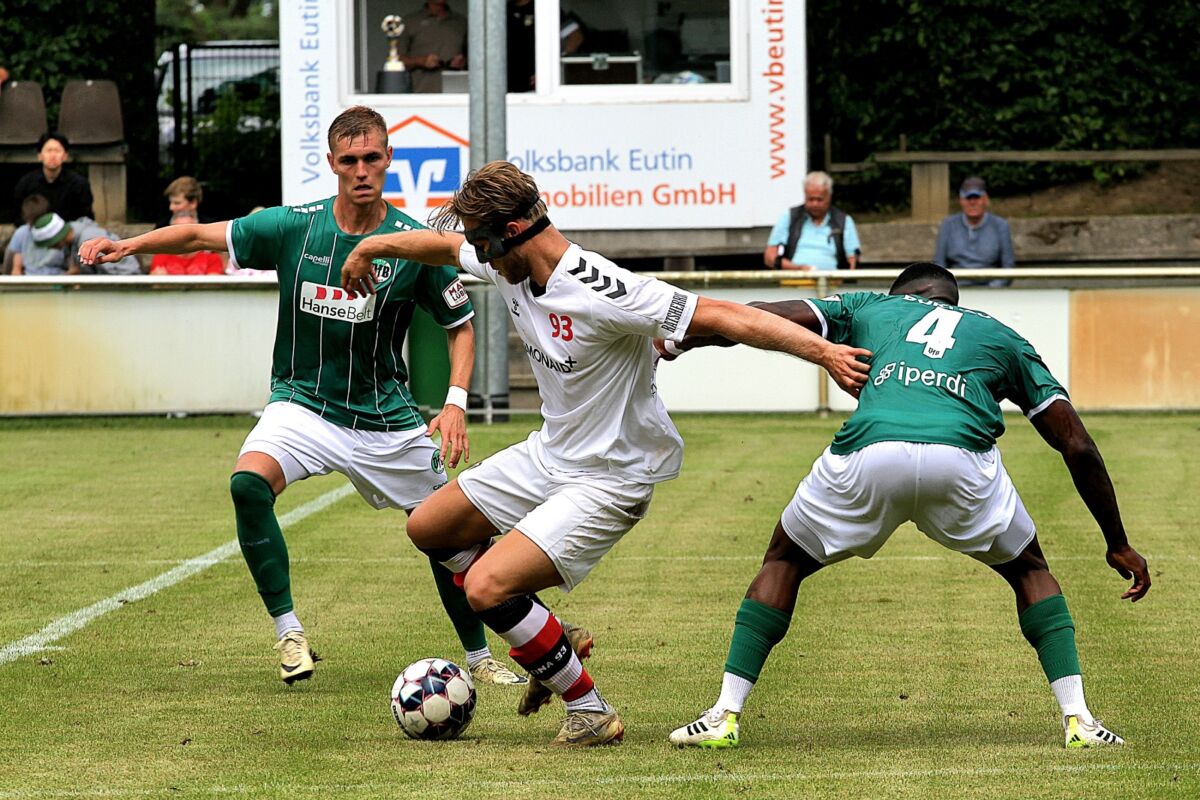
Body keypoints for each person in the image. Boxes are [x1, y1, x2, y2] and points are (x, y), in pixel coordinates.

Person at [338, 160, 872, 746]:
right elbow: (441, 248)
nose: (479, 257)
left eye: (485, 243)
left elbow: (727, 316)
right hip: (550, 454)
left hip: (609, 479)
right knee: (429, 527)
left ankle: (589, 709)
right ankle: (547, 634)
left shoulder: (603, 289)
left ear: (515, 231)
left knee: (487, 588)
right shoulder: (506, 258)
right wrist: (374, 246)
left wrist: (824, 353)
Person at [78, 106, 526, 689]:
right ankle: (289, 632)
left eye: (371, 158)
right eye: (349, 160)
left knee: (452, 537)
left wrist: (456, 401)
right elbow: (198, 234)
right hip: (302, 404)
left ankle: (482, 655)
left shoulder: (413, 242)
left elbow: (459, 326)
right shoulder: (295, 226)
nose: (361, 170)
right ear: (333, 164)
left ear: (388, 159)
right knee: (247, 484)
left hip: (385, 418)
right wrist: (127, 244)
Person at [661, 263, 1151, 750]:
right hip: (960, 463)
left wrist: (686, 337)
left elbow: (759, 316)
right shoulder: (1001, 336)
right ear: (951, 301)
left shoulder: (869, 306)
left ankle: (725, 714)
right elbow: (1077, 445)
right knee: (1030, 571)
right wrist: (1118, 543)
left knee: (784, 561)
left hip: (871, 452)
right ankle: (1080, 720)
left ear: (904, 294)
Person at [11, 194, 139, 276]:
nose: (51, 248)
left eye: (50, 245)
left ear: (56, 239)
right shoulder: (73, 243)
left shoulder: (89, 239)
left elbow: (119, 272)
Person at [763, 171, 860, 271]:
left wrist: (844, 280)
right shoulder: (789, 217)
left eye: (819, 199)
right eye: (810, 199)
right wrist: (799, 269)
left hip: (832, 282)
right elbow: (769, 257)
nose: (815, 204)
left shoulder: (844, 221)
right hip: (794, 280)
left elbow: (852, 259)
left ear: (829, 197)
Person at [934, 176, 1015, 286]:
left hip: (991, 288)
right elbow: (939, 264)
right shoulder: (948, 224)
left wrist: (993, 290)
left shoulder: (1000, 225)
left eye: (977, 198)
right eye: (968, 198)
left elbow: (1008, 267)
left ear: (985, 199)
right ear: (961, 201)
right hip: (956, 287)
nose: (972, 203)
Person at [12, 132, 95, 224]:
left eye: (57, 151)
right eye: (48, 150)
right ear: (40, 156)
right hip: (35, 231)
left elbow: (85, 218)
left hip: (69, 232)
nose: (53, 155)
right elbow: (18, 216)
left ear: (65, 156)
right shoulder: (26, 183)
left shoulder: (79, 184)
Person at [507, 0, 585, 92]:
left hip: (535, 87)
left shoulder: (544, 7)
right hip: (503, 85)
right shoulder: (500, 10)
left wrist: (551, 70)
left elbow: (576, 37)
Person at [396, 0, 468, 93]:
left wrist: (463, 62)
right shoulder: (410, 22)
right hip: (420, 94)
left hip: (457, 95)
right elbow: (396, 62)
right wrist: (421, 61)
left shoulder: (461, 22)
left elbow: (478, 60)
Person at [149, 211, 225, 275]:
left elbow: (213, 287)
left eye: (188, 230)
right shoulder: (160, 257)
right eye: (177, 229)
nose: (183, 235)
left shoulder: (212, 258)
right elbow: (156, 285)